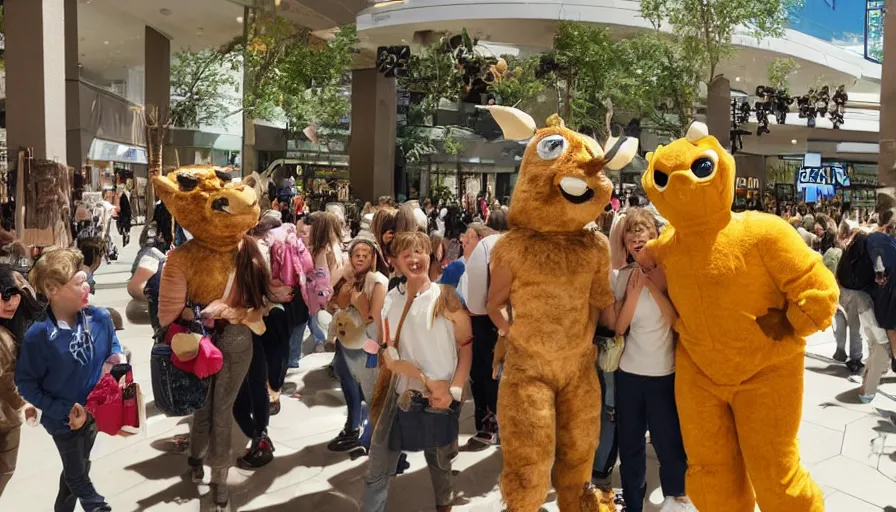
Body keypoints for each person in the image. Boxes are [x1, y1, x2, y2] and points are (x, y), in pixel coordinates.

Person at [362, 231, 473, 512]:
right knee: (378, 460)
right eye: (406, 253)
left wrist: (454, 390)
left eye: (419, 252)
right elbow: (388, 340)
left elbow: (466, 347)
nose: (414, 259)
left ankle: (444, 505)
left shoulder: (446, 297)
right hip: (400, 393)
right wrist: (389, 356)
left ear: (431, 255)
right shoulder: (391, 298)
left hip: (440, 395)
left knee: (439, 462)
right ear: (395, 261)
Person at [16, 249, 123, 512]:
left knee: (77, 467)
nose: (87, 285)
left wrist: (117, 360)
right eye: (78, 282)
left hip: (95, 411)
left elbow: (112, 344)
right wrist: (65, 410)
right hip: (63, 421)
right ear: (53, 289)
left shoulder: (100, 318)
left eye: (86, 278)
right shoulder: (39, 335)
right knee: (77, 475)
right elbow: (27, 383)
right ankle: (98, 507)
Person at [604, 209, 692, 512]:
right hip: (629, 375)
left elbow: (674, 320)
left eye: (644, 232)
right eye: (632, 234)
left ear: (656, 236)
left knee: (669, 446)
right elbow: (619, 327)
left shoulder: (671, 272)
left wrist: (653, 286)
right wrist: (633, 292)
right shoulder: (624, 277)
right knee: (630, 448)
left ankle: (676, 501)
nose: (638, 238)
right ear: (626, 244)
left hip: (664, 375)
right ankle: (632, 504)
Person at [327, 238, 387, 456]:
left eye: (365, 254)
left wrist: (360, 306)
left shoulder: (378, 281)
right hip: (347, 341)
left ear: (373, 258)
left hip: (366, 345)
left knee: (370, 391)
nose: (360, 258)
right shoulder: (353, 280)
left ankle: (370, 437)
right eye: (356, 255)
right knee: (347, 380)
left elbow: (374, 319)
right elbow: (340, 304)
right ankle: (355, 426)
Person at [0, 267, 43, 497]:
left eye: (16, 295)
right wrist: (23, 404)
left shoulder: (10, 330)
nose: (12, 302)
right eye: (5, 295)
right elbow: (5, 380)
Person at [464, 216, 504, 447]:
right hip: (481, 321)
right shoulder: (469, 260)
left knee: (489, 375)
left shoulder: (490, 247)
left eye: (469, 238)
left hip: (488, 321)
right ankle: (488, 421)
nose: (463, 241)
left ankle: (492, 422)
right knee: (481, 375)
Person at [306, 211, 346, 353]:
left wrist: (325, 290)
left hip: (324, 292)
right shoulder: (335, 245)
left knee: (319, 319)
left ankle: (322, 341)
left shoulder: (323, 249)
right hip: (331, 290)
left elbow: (322, 273)